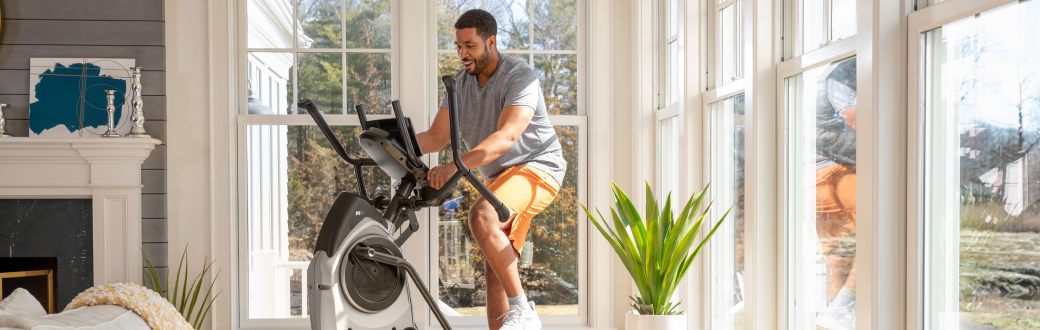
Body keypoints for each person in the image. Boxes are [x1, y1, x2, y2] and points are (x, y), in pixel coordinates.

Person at [415, 9, 567, 330]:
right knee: (497, 262)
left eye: (469, 45)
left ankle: (524, 311)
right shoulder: (457, 85)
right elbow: (435, 137)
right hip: (500, 177)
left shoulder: (519, 76)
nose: (462, 54)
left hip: (539, 167)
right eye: (458, 47)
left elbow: (506, 137)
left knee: (482, 216)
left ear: (491, 41)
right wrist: (391, 146)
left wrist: (456, 165)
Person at [813, 59, 857, 330]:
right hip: (834, 170)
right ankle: (843, 309)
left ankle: (833, 317)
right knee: (881, 234)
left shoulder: (815, 80)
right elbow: (855, 117)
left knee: (837, 257)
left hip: (812, 173)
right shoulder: (843, 75)